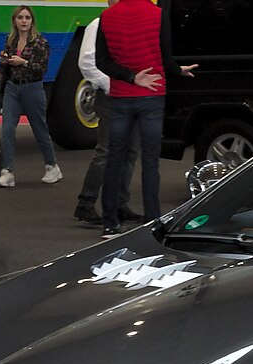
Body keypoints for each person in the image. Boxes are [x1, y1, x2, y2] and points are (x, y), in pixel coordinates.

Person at [96, 0, 197, 237]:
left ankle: (110, 223)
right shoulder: (157, 14)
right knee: (150, 162)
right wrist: (177, 70)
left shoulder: (107, 16)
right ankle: (152, 220)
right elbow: (165, 56)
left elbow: (102, 62)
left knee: (114, 159)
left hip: (121, 96)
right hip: (152, 95)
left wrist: (130, 77)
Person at [73, 0, 141, 226]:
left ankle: (120, 205)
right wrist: (111, 85)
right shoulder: (99, 25)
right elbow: (87, 63)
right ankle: (85, 203)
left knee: (130, 153)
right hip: (112, 97)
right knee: (106, 152)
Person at [0, 5, 62, 188]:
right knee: (7, 129)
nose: (24, 21)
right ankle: (7, 171)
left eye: (27, 17)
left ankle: (52, 166)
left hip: (32, 88)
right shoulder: (10, 40)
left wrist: (23, 62)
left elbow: (42, 68)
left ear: (32, 21)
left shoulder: (40, 42)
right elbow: (6, 68)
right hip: (12, 88)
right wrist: (5, 60)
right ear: (14, 21)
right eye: (20, 17)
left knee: (40, 129)